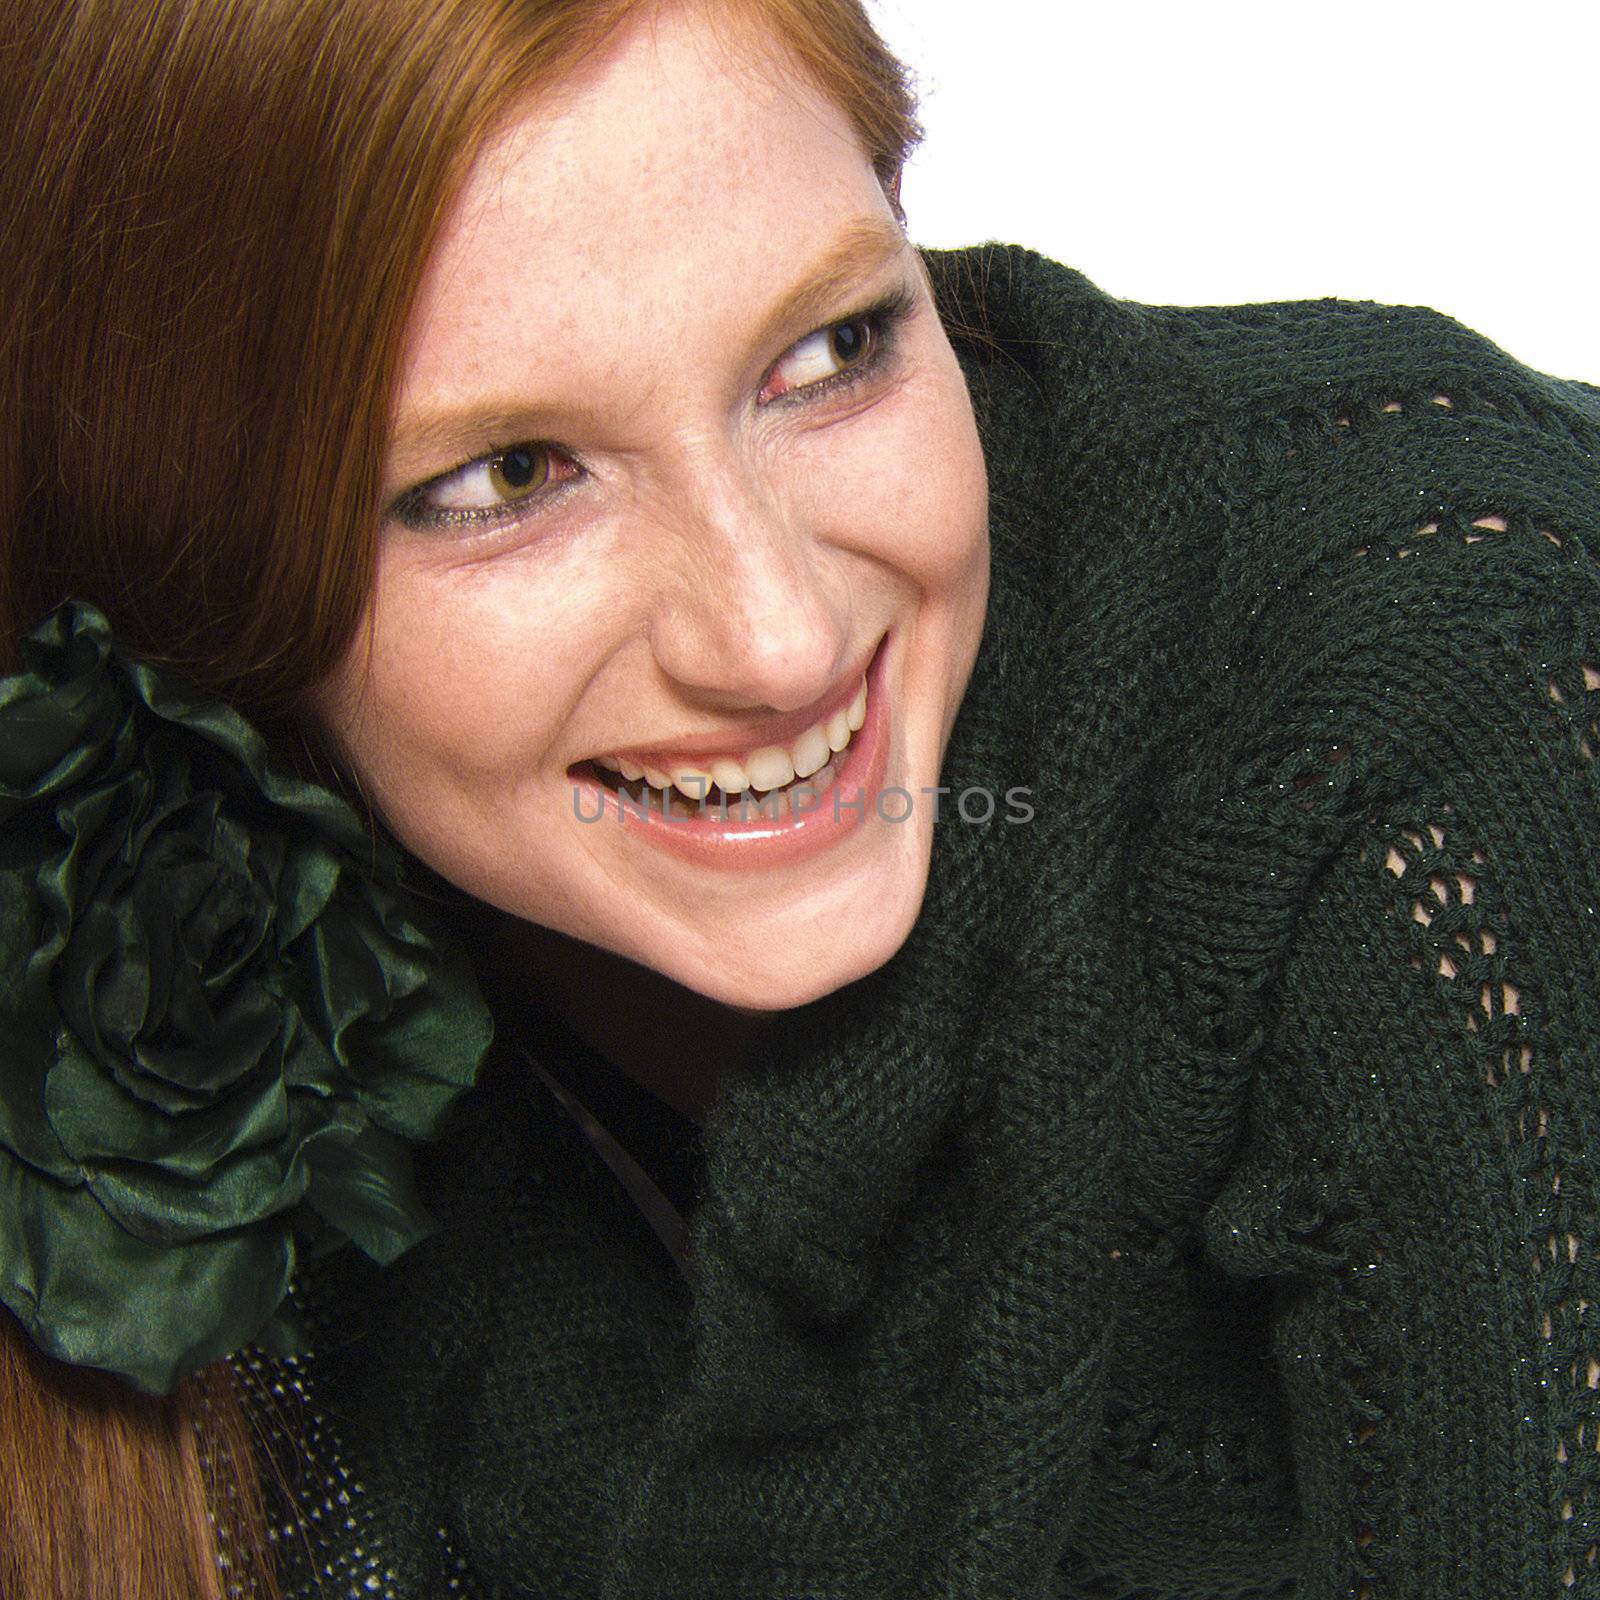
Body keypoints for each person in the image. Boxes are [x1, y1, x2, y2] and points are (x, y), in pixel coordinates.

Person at [3, 0, 1599, 1596]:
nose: (777, 641)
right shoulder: (146, 917)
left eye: (830, 350)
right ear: (195, 560)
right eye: (505, 479)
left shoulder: (1436, 678)